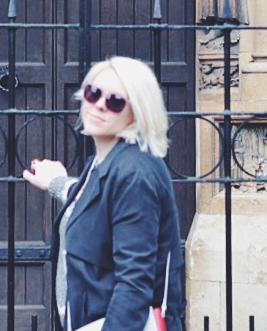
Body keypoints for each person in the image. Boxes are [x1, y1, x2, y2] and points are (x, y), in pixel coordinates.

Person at [23, 57, 185, 330]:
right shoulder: (105, 161)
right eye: (93, 93)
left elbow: (134, 284)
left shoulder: (134, 174)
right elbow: (99, 206)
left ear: (138, 113)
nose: (99, 104)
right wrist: (57, 182)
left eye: (115, 101)